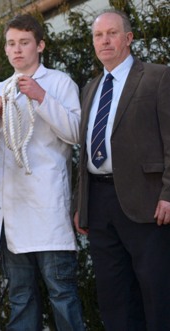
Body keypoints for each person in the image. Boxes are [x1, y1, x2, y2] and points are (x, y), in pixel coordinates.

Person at [0, 14, 84, 330]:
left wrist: (41, 97)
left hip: (47, 209)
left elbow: (77, 133)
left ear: (40, 45)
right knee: (20, 297)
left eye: (24, 43)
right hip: (11, 211)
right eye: (11, 43)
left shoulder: (60, 82)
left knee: (62, 294)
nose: (17, 50)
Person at [73, 9, 170, 330]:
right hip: (100, 205)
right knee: (113, 295)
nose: (105, 41)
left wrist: (169, 194)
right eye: (99, 36)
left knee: (157, 292)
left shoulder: (158, 77)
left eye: (112, 33)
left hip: (147, 202)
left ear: (128, 38)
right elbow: (84, 149)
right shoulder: (90, 89)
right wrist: (81, 204)